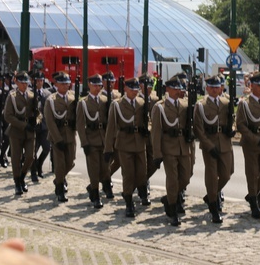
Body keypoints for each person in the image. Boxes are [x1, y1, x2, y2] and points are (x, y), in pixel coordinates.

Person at [151, 76, 193, 226]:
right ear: (167, 90)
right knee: (173, 179)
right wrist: (157, 154)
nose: (177, 91)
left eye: (179, 88)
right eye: (174, 88)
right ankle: (173, 210)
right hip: (168, 147)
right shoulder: (160, 107)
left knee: (186, 177)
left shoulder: (184, 105)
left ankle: (169, 198)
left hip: (183, 147)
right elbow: (156, 132)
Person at [104, 77, 149, 217]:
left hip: (140, 143)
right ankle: (129, 202)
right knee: (128, 174)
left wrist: (147, 128)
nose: (135, 92)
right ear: (126, 89)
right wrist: (108, 148)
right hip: (124, 143)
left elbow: (148, 120)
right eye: (132, 90)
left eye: (137, 90)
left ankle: (141, 191)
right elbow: (111, 128)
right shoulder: (117, 105)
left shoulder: (142, 103)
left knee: (142, 173)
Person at [194, 75, 234, 224]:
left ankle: (212, 194)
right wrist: (208, 146)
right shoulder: (201, 105)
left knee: (227, 174)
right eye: (212, 87)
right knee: (211, 175)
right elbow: (198, 128)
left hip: (224, 142)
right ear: (207, 88)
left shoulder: (226, 102)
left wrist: (232, 129)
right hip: (209, 143)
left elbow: (231, 119)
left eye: (218, 87)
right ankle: (213, 206)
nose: (215, 90)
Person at [236, 72, 260, 219]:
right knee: (252, 173)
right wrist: (255, 139)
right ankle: (253, 202)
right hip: (251, 143)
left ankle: (253, 194)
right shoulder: (244, 104)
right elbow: (241, 125)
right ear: (251, 86)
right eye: (258, 85)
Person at [4, 72, 41, 196]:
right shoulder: (12, 96)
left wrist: (36, 121)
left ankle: (22, 176)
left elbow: (38, 113)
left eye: (26, 83)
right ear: (17, 83)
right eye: (22, 83)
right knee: (16, 157)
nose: (25, 85)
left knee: (30, 156)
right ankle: (17, 182)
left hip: (30, 132)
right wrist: (24, 125)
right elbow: (8, 116)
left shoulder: (32, 95)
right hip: (16, 131)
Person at [76, 74, 109, 209]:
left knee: (105, 169)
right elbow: (80, 124)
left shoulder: (105, 101)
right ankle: (95, 195)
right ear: (89, 85)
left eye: (99, 85)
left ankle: (96, 189)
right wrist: (84, 143)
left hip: (104, 140)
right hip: (91, 139)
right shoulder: (83, 103)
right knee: (94, 170)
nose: (97, 88)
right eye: (95, 85)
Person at [44, 72, 77, 203]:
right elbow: (50, 121)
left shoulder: (73, 97)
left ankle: (59, 178)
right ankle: (60, 190)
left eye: (67, 83)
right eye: (62, 83)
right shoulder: (51, 100)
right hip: (57, 135)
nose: (65, 86)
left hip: (70, 134)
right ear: (56, 84)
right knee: (60, 164)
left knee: (70, 162)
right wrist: (57, 139)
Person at [30, 72, 51, 182]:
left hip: (44, 126)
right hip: (33, 127)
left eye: (41, 80)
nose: (39, 83)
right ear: (33, 81)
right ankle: (34, 172)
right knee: (32, 151)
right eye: (37, 81)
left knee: (47, 148)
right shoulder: (30, 93)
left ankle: (39, 164)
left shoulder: (47, 94)